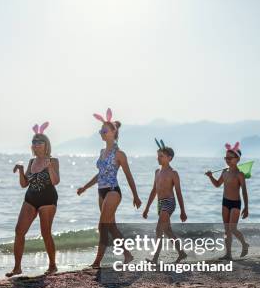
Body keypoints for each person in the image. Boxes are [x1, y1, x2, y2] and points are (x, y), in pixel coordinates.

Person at [77, 108, 142, 268]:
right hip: (101, 191)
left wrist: (135, 195)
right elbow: (100, 174)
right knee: (111, 227)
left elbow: (128, 175)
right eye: (101, 131)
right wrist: (85, 187)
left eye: (105, 130)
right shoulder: (102, 152)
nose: (102, 133)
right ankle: (128, 255)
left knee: (102, 225)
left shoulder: (120, 154)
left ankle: (97, 262)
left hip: (113, 191)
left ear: (113, 132)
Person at [6, 122, 60, 277]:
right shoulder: (31, 162)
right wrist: (21, 171)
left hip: (48, 200)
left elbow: (56, 181)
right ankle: (17, 267)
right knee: (19, 231)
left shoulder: (53, 160)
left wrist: (49, 167)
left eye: (39, 142)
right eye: (34, 142)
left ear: (46, 144)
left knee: (46, 233)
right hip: (30, 198)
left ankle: (52, 265)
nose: (36, 144)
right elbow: (24, 184)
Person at [142, 139, 188, 263]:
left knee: (159, 229)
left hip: (169, 202)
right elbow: (154, 191)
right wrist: (146, 208)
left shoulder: (174, 173)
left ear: (169, 158)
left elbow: (178, 192)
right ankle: (182, 253)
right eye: (158, 156)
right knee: (167, 231)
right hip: (160, 203)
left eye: (161, 156)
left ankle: (155, 258)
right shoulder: (157, 172)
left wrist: (183, 211)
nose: (158, 158)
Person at [205, 141, 250, 259]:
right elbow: (217, 185)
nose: (227, 160)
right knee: (226, 230)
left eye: (230, 158)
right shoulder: (224, 172)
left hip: (235, 203)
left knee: (232, 228)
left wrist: (246, 207)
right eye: (226, 158)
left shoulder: (240, 175)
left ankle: (244, 244)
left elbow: (244, 191)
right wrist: (210, 177)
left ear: (237, 159)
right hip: (225, 202)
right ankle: (228, 254)